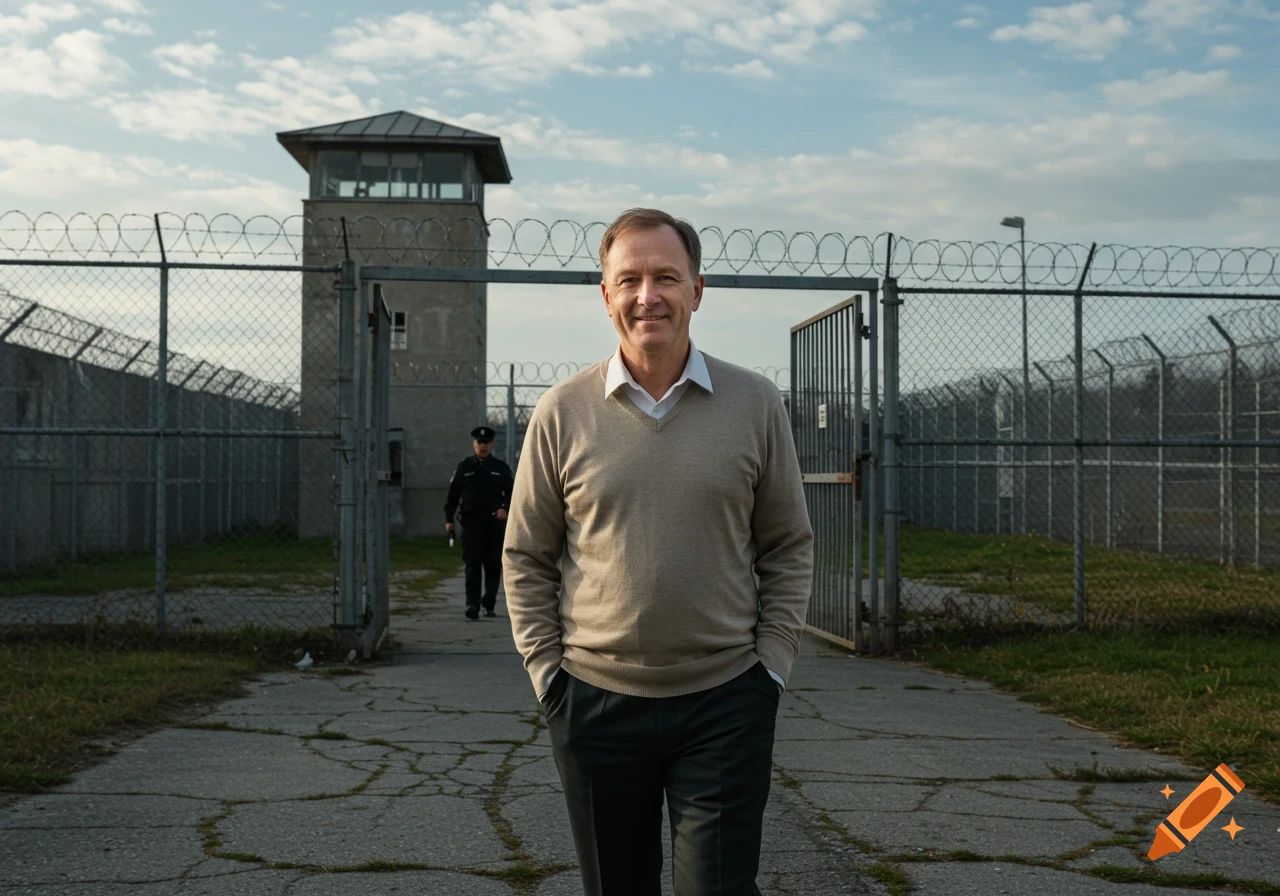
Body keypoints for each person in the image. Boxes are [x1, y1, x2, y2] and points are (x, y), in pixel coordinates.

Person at [503, 208, 814, 895]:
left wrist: (772, 669)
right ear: (606, 294)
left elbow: (788, 544)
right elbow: (526, 554)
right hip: (593, 702)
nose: (649, 295)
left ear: (697, 290)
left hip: (727, 699)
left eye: (666, 277)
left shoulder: (755, 404)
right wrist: (548, 677)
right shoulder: (562, 411)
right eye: (631, 279)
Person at [443, 425, 514, 620]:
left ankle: (488, 604)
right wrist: (449, 519)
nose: (483, 446)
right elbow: (453, 496)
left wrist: (506, 510)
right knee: (472, 565)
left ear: (492, 444)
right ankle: (472, 605)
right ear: (474, 444)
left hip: (493, 525)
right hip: (471, 524)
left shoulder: (500, 469)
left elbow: (514, 494)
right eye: (479, 442)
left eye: (487, 443)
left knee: (492, 566)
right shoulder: (465, 467)